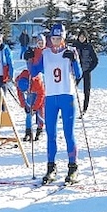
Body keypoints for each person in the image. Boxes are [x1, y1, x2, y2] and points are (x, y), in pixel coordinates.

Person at [33, 23, 82, 184]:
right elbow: (34, 71)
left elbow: (79, 74)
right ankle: (51, 167)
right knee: (51, 134)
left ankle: (73, 167)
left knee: (69, 133)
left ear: (63, 38)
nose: (55, 41)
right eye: (53, 38)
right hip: (51, 97)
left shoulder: (71, 51)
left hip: (67, 96)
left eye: (58, 38)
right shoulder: (45, 53)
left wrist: (74, 60)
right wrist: (29, 58)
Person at [15, 68, 45, 142]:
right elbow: (20, 93)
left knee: (40, 110)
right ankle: (28, 131)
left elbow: (41, 94)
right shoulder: (18, 81)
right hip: (31, 92)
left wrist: (35, 108)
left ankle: (39, 129)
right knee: (28, 111)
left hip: (39, 91)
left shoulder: (37, 81)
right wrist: (23, 104)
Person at [74, 30, 99, 115]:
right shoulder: (75, 46)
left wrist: (89, 68)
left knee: (86, 90)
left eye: (83, 37)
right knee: (72, 90)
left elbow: (95, 60)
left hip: (86, 70)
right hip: (76, 71)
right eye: (80, 36)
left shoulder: (89, 47)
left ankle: (84, 109)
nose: (82, 38)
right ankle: (71, 107)